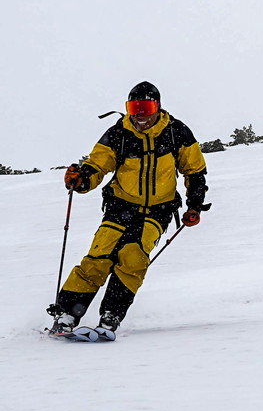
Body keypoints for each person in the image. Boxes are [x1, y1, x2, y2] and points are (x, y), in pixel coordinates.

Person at [46, 81, 209, 334]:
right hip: (120, 205)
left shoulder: (177, 132)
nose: (140, 115)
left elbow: (195, 171)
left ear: (158, 107)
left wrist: (195, 206)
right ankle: (67, 314)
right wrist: (82, 180)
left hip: (158, 210)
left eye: (146, 107)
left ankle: (111, 315)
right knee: (99, 257)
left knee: (133, 257)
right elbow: (98, 164)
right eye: (134, 108)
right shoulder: (118, 133)